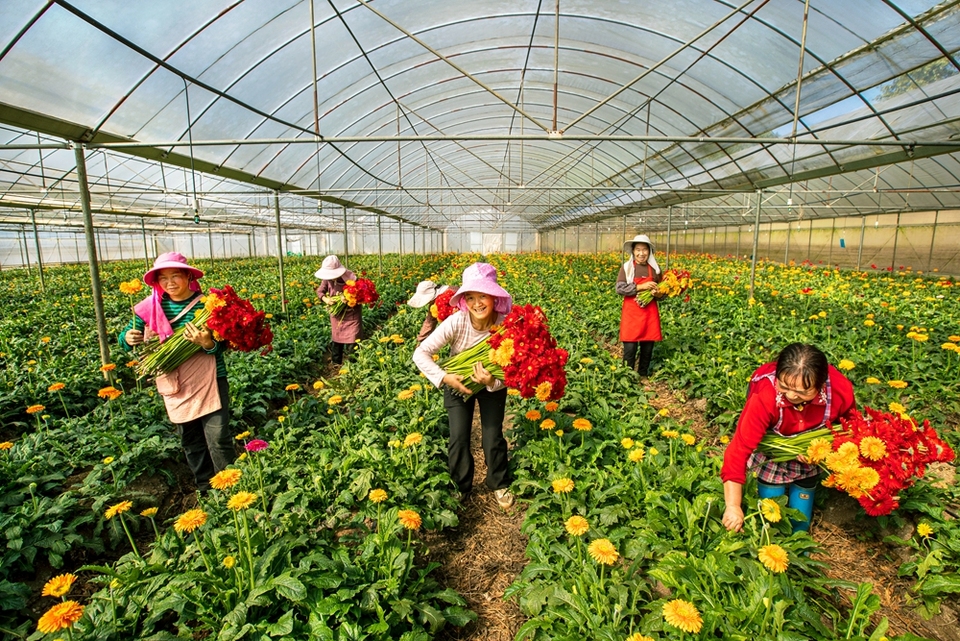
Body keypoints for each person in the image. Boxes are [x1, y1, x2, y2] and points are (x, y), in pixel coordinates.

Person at [120, 252, 235, 493]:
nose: (170, 283)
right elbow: (128, 336)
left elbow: (222, 346)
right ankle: (205, 487)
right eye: (163, 278)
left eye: (175, 276)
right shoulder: (150, 307)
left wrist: (207, 343)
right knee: (190, 440)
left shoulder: (208, 305)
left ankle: (231, 486)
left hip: (210, 378)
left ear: (188, 277)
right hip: (174, 381)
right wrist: (127, 338)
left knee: (218, 436)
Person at [721, 343, 856, 533]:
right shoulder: (765, 396)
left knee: (801, 511)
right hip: (774, 452)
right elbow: (738, 450)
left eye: (802, 392)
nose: (791, 396)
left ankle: (799, 541)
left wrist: (824, 450)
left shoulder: (840, 390)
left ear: (822, 383)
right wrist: (733, 506)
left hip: (811, 457)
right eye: (783, 386)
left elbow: (849, 428)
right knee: (771, 508)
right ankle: (772, 536)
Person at [412, 263, 514, 509]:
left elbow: (512, 370)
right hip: (457, 381)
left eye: (483, 296)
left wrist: (492, 381)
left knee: (493, 435)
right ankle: (461, 486)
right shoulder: (457, 321)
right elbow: (421, 353)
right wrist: (445, 378)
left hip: (491, 384)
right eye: (470, 297)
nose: (477, 303)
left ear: (494, 297)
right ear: (464, 300)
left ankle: (499, 483)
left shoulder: (505, 325)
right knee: (458, 436)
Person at [616, 234, 663, 377]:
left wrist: (658, 293)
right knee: (630, 347)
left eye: (644, 250)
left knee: (647, 347)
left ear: (649, 251)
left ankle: (643, 375)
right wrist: (641, 287)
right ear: (633, 251)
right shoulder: (627, 268)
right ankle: (628, 377)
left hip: (649, 314)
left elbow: (663, 293)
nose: (641, 253)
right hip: (632, 314)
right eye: (638, 250)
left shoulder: (655, 269)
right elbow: (620, 288)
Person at [315, 255, 362, 365]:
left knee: (353, 341)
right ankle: (336, 365)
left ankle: (353, 367)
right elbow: (320, 292)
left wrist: (350, 298)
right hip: (337, 316)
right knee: (337, 341)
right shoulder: (327, 280)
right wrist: (326, 299)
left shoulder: (351, 278)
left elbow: (361, 296)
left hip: (352, 316)